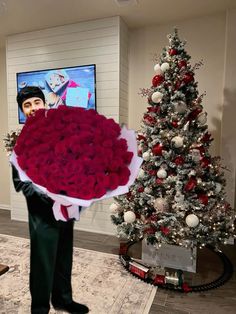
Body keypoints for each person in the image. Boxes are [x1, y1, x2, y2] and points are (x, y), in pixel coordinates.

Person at [12, 86, 89, 314]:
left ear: (45, 104)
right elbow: (20, 183)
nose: (33, 108)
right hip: (42, 213)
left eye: (36, 102)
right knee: (43, 263)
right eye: (27, 105)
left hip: (66, 208)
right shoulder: (20, 142)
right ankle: (40, 307)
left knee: (64, 256)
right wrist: (47, 196)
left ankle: (63, 299)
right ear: (23, 111)